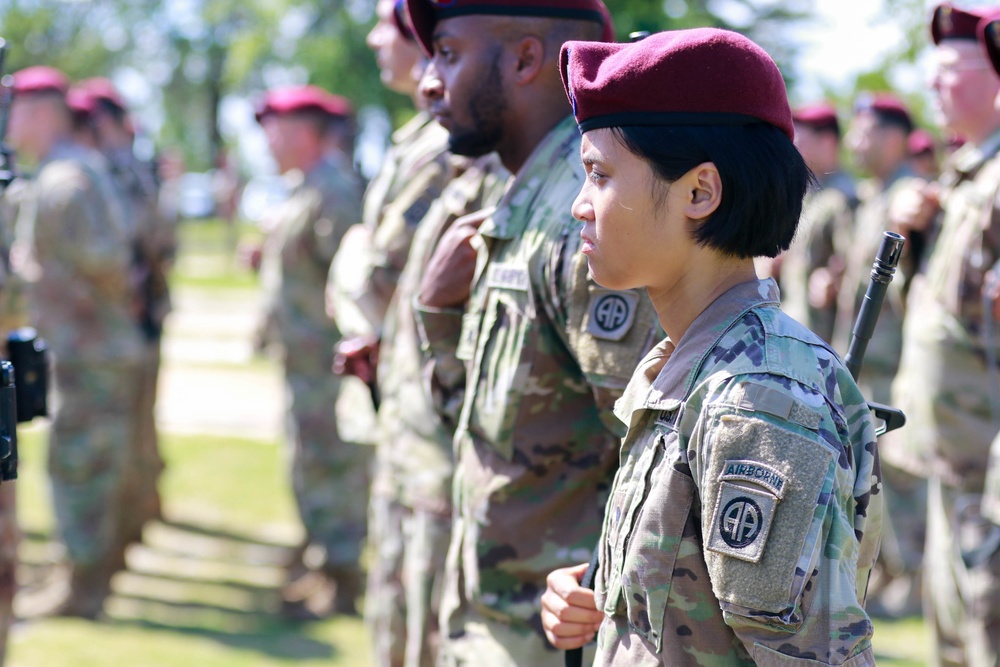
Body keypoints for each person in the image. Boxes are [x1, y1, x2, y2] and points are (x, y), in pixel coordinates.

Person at [540, 28, 883, 665]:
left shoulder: (757, 401)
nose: (581, 206)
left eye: (600, 174)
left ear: (700, 191)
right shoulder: (687, 367)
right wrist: (603, 600)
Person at [403, 1, 660, 664]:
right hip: (499, 626)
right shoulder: (525, 209)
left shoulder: (582, 224)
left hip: (557, 640)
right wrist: (438, 315)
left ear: (524, 59)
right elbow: (501, 432)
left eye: (450, 53)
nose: (429, 80)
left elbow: (658, 460)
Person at [7, 65, 143, 619]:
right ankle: (81, 578)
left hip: (89, 350)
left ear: (39, 112)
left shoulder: (65, 180)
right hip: (89, 346)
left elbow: (109, 263)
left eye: (14, 108)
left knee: (80, 467)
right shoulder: (70, 171)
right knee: (84, 465)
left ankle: (83, 589)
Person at [890, 5, 1000, 665]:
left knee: (986, 626)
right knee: (953, 635)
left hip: (984, 459)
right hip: (951, 453)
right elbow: (941, 313)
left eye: (951, 68)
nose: (934, 83)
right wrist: (914, 241)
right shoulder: (963, 180)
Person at [252, 85, 368, 618]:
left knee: (331, 466)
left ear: (302, 132)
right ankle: (325, 563)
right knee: (310, 462)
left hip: (326, 364)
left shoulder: (332, 192)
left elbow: (350, 282)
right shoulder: (307, 189)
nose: (267, 143)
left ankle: (341, 577)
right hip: (305, 361)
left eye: (274, 130)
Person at [76, 76, 177, 547]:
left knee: (125, 433)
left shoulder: (114, 170)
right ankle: (134, 521)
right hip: (141, 317)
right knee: (136, 428)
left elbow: (140, 245)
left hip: (131, 318)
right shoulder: (130, 167)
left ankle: (122, 531)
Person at [837, 91, 927, 618]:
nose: (856, 141)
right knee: (874, 470)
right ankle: (894, 569)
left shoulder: (910, 193)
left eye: (866, 130)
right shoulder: (875, 197)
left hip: (894, 358)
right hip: (868, 357)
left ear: (895, 137)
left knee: (902, 473)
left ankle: (914, 579)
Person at [774, 102, 856, 343]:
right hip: (794, 322)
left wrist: (834, 276)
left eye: (802, 138)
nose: (796, 145)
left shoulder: (845, 197)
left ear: (827, 141)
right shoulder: (808, 194)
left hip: (819, 335)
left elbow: (851, 259)